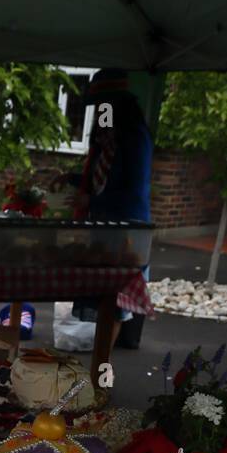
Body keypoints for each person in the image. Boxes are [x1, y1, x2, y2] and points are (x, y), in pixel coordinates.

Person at [61, 69, 153, 351]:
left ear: (117, 106)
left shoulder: (135, 139)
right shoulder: (106, 140)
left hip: (126, 232)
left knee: (115, 303)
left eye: (104, 107)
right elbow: (102, 180)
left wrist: (92, 202)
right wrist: (69, 179)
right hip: (103, 228)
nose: (100, 113)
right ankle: (98, 370)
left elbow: (131, 189)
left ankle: (100, 374)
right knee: (103, 298)